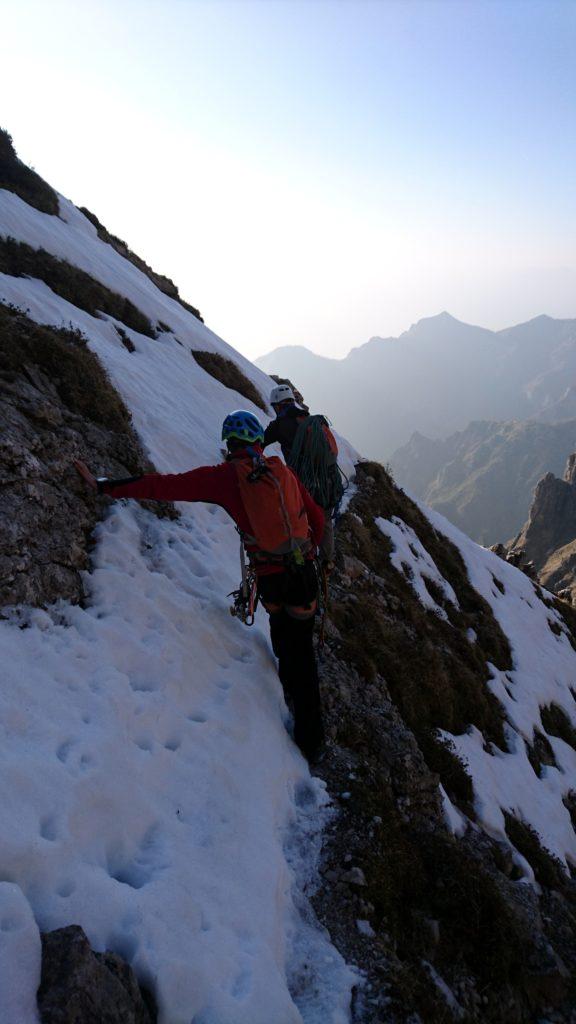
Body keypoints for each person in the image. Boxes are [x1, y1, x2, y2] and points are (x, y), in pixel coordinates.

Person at [74, 410, 326, 762]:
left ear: (229, 444)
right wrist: (313, 550)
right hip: (303, 574)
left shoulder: (223, 478)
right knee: (303, 650)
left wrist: (106, 485)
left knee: (283, 634)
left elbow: (165, 486)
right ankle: (311, 742)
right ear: (257, 441)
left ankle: (289, 695)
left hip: (270, 579)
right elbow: (317, 519)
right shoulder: (283, 473)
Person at [264, 384, 341, 566]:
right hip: (328, 479)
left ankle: (305, 559)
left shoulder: (279, 426)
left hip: (303, 483)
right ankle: (327, 562)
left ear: (277, 406)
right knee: (325, 518)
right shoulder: (309, 419)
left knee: (300, 517)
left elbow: (258, 442)